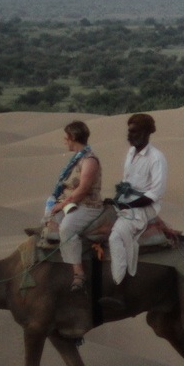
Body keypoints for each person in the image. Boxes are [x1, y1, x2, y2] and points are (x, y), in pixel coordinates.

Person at [108, 113, 168, 286]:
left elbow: (154, 194)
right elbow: (127, 182)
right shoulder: (130, 152)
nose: (129, 135)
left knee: (116, 237)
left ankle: (120, 285)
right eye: (129, 131)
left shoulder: (156, 158)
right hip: (127, 201)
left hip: (144, 207)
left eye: (134, 132)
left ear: (146, 133)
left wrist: (127, 204)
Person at [47, 121, 102, 292]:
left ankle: (79, 273)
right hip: (73, 204)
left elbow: (83, 189)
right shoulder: (77, 159)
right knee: (49, 223)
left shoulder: (89, 160)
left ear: (73, 138)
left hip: (88, 206)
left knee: (66, 229)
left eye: (66, 137)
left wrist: (62, 204)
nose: (65, 141)